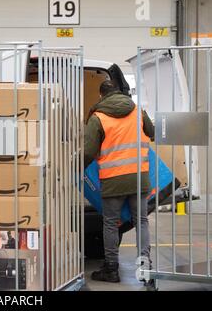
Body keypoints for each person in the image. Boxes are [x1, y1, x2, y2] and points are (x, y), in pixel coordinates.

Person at [84, 80, 155, 283]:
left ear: (101, 96)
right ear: (120, 93)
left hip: (113, 180)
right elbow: (152, 132)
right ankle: (145, 265)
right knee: (141, 221)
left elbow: (88, 151)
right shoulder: (138, 111)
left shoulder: (98, 117)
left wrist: (74, 165)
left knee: (110, 224)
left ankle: (111, 269)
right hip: (139, 177)